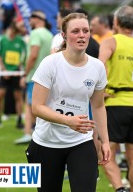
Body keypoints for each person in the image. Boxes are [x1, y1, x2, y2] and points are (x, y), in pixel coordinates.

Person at [25, 12, 110, 192]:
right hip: (46, 143)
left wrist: (105, 141)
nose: (81, 35)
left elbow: (98, 105)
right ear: (64, 36)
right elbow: (37, 107)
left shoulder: (97, 67)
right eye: (76, 31)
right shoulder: (50, 64)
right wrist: (68, 121)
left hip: (81, 142)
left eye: (85, 31)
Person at [99, 6, 133, 192]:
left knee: (105, 151)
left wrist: (99, 89)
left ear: (116, 22)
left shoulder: (110, 41)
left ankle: (119, 188)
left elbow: (99, 64)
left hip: (115, 102)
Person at [14, 10, 53, 144]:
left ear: (37, 19)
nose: (29, 21)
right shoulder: (49, 34)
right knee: (41, 106)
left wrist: (25, 73)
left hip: (35, 76)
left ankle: (29, 133)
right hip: (47, 77)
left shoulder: (36, 33)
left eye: (31, 18)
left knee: (30, 106)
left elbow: (33, 55)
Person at [0, 23, 26, 128]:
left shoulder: (20, 41)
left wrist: (17, 68)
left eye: (13, 32)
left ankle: (19, 119)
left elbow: (24, 56)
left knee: (18, 97)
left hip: (16, 73)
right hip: (4, 72)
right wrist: (4, 69)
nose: (11, 34)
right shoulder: (2, 40)